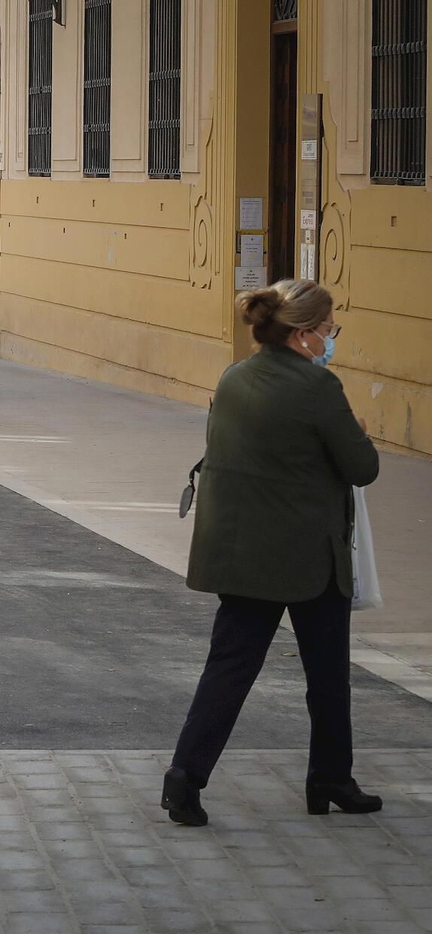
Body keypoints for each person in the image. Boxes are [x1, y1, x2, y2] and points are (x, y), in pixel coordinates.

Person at [163, 279, 380, 827]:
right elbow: (362, 469)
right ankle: (331, 777)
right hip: (309, 555)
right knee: (327, 676)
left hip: (242, 554)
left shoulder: (235, 376)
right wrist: (357, 431)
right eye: (328, 328)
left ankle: (184, 778)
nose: (331, 337)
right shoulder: (318, 386)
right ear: (304, 334)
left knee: (229, 669)